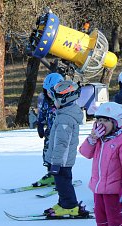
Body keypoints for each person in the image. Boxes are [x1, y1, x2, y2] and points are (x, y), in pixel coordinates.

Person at [79, 102, 122, 226]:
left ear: (117, 123)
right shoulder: (98, 140)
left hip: (114, 189)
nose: (101, 124)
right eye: (99, 120)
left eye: (105, 121)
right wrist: (92, 138)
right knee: (100, 217)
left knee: (114, 218)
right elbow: (85, 153)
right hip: (98, 187)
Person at [43, 80, 88, 217]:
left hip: (61, 161)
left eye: (54, 98)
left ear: (64, 99)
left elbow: (62, 143)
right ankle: (63, 202)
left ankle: (69, 206)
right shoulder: (64, 114)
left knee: (63, 184)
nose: (53, 101)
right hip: (61, 159)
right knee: (62, 183)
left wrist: (56, 163)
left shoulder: (65, 119)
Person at [32, 73, 63, 187]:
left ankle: (61, 177)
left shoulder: (65, 99)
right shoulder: (43, 98)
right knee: (47, 152)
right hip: (50, 130)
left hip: (62, 131)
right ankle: (51, 175)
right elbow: (42, 112)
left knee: (60, 154)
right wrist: (40, 124)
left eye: (50, 91)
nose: (48, 94)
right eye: (47, 91)